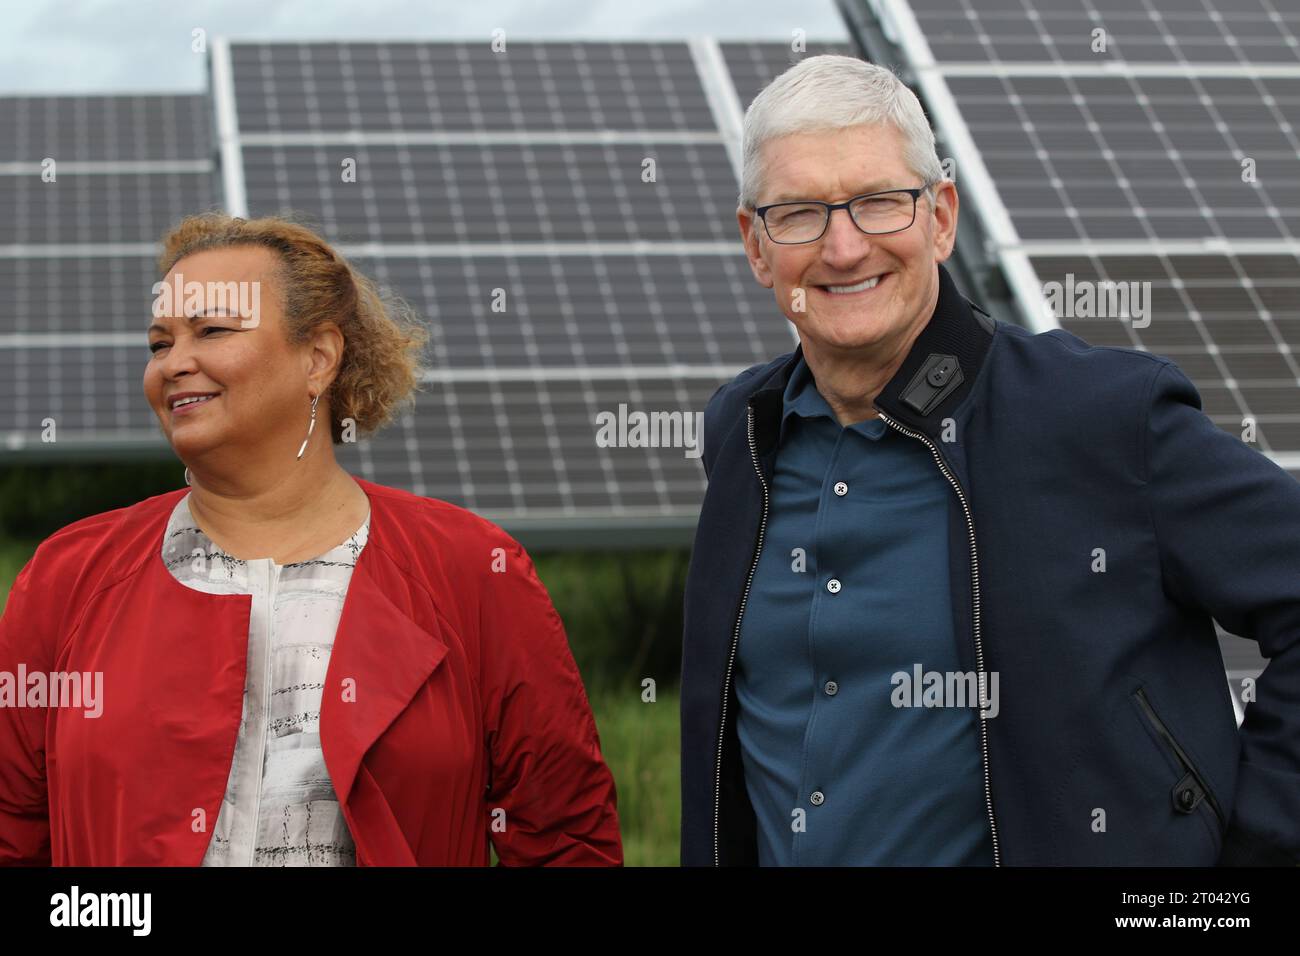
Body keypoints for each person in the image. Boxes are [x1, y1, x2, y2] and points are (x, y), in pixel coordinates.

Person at [680, 54, 1300, 866]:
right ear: (756, 247)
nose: (841, 247)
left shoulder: (1103, 417)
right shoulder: (743, 433)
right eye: (797, 213)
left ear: (940, 217)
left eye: (878, 204)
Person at [0, 213, 622, 866]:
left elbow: (565, 838)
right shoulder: (68, 577)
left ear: (319, 358)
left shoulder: (472, 570)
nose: (175, 364)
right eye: (159, 343)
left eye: (212, 330)